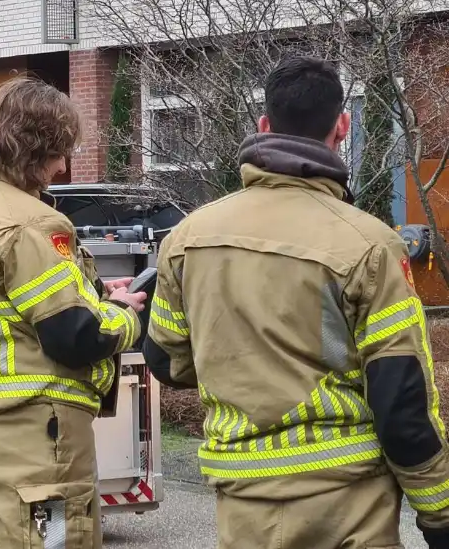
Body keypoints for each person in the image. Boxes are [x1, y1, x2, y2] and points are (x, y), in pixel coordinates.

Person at [144, 56, 449, 549]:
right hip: (347, 505)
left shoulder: (185, 239)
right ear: (343, 127)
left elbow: (168, 361)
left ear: (264, 126)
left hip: (242, 500)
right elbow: (401, 400)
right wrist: (439, 513)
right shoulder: (369, 246)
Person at [0, 75, 147, 549]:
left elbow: (6, 301)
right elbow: (72, 337)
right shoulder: (29, 220)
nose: (63, 167)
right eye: (60, 151)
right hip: (37, 440)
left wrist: (95, 292)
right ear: (32, 147)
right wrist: (126, 316)